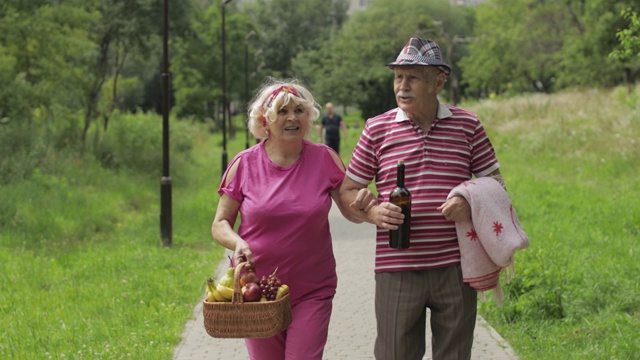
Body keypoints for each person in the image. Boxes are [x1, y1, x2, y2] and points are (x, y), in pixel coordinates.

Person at [338, 37, 505, 360]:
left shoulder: (468, 126)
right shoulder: (377, 129)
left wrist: (470, 202)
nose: (402, 85)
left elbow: (496, 184)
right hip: (396, 266)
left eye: (412, 77)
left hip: (456, 267)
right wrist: (371, 213)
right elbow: (346, 191)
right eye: (398, 77)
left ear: (438, 82)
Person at [211, 79, 364, 360]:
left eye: (299, 110)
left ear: (308, 117)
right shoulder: (244, 164)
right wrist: (237, 243)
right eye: (282, 111)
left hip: (312, 289)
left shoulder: (325, 158)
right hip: (256, 292)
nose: (292, 117)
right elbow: (220, 223)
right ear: (264, 121)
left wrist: (370, 206)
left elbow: (351, 210)